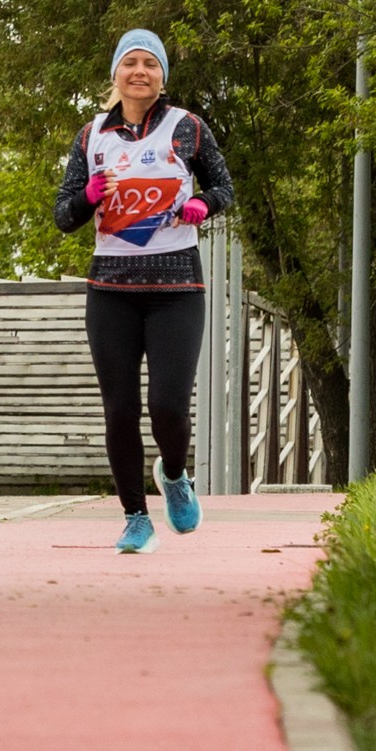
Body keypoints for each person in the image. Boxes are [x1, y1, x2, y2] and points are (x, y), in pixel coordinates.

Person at [53, 29, 235, 554]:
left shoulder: (188, 129)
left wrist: (203, 204)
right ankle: (135, 517)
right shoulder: (91, 138)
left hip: (177, 287)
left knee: (169, 407)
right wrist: (88, 197)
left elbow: (223, 186)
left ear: (162, 77)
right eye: (130, 63)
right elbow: (64, 216)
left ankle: (175, 476)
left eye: (150, 64)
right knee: (120, 409)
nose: (140, 72)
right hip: (111, 289)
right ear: (116, 75)